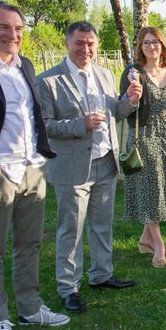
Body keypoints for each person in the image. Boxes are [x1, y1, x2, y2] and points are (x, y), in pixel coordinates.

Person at [0, 1, 69, 330]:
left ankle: (30, 308)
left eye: (18, 28)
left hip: (31, 169)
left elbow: (32, 116)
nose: (13, 34)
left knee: (29, 246)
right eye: (4, 27)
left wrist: (39, 156)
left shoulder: (25, 66)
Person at [36, 21, 142, 313]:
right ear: (67, 44)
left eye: (91, 44)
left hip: (105, 161)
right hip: (72, 167)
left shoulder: (105, 75)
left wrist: (130, 101)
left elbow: (116, 112)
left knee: (101, 225)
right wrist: (79, 124)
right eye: (80, 43)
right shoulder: (48, 81)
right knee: (71, 229)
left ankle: (101, 274)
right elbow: (43, 127)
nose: (86, 49)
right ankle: (68, 287)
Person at [119, 27, 166, 268]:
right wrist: (131, 96)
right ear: (140, 46)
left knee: (163, 187)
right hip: (144, 137)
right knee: (149, 188)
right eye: (146, 43)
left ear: (163, 45)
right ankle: (159, 244)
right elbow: (122, 106)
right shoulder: (133, 72)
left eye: (155, 42)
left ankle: (145, 240)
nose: (151, 47)